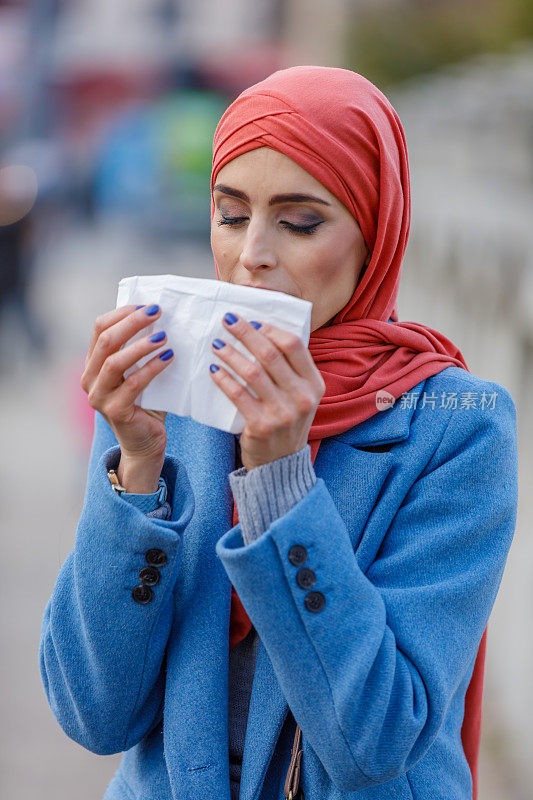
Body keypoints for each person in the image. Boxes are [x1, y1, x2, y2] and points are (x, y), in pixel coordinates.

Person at [38, 66, 518, 800]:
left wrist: (279, 481)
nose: (251, 254)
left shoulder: (456, 426)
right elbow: (93, 714)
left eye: (298, 222)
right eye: (230, 215)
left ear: (375, 231)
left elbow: (378, 740)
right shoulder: (172, 394)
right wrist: (133, 465)